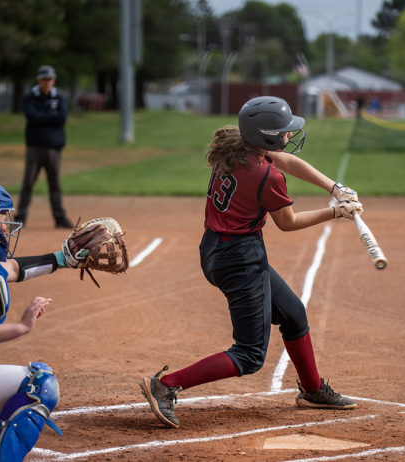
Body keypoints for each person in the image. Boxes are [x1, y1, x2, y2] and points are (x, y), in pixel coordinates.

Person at [139, 96, 364, 429]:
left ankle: (313, 390)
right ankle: (165, 386)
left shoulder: (236, 147)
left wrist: (335, 187)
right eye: (284, 131)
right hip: (241, 259)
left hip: (217, 249)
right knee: (249, 354)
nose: (289, 135)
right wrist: (335, 212)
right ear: (267, 137)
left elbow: (285, 161)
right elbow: (287, 223)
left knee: (293, 313)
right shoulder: (264, 176)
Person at [0, 178, 76, 461]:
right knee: (39, 383)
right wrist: (22, 326)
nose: (6, 225)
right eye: (1, 217)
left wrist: (62, 258)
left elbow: (12, 269)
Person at [15, 65, 74, 229]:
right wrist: (50, 116)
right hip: (35, 147)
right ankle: (20, 217)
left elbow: (61, 118)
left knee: (54, 184)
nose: (47, 83)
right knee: (28, 183)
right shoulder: (30, 98)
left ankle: (59, 217)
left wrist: (43, 117)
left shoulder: (60, 97)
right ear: (38, 80)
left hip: (54, 148)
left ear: (53, 80)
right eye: (44, 79)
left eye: (49, 79)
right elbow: (31, 116)